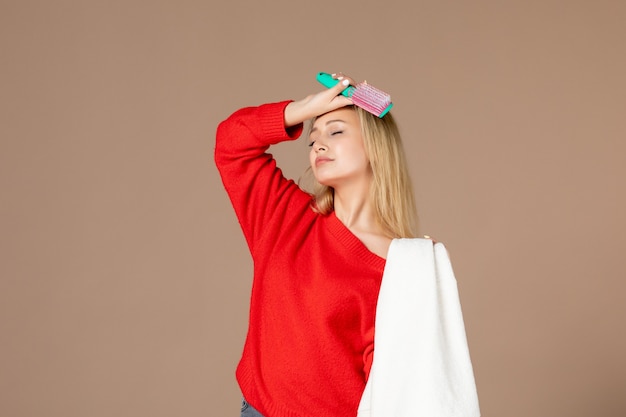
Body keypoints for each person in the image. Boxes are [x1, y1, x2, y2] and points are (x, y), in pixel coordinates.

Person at [215, 72, 420, 417]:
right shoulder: (283, 216)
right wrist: (303, 108)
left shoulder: (399, 265)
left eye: (336, 132)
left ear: (375, 147)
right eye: (312, 140)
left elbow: (389, 387)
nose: (319, 145)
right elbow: (232, 143)